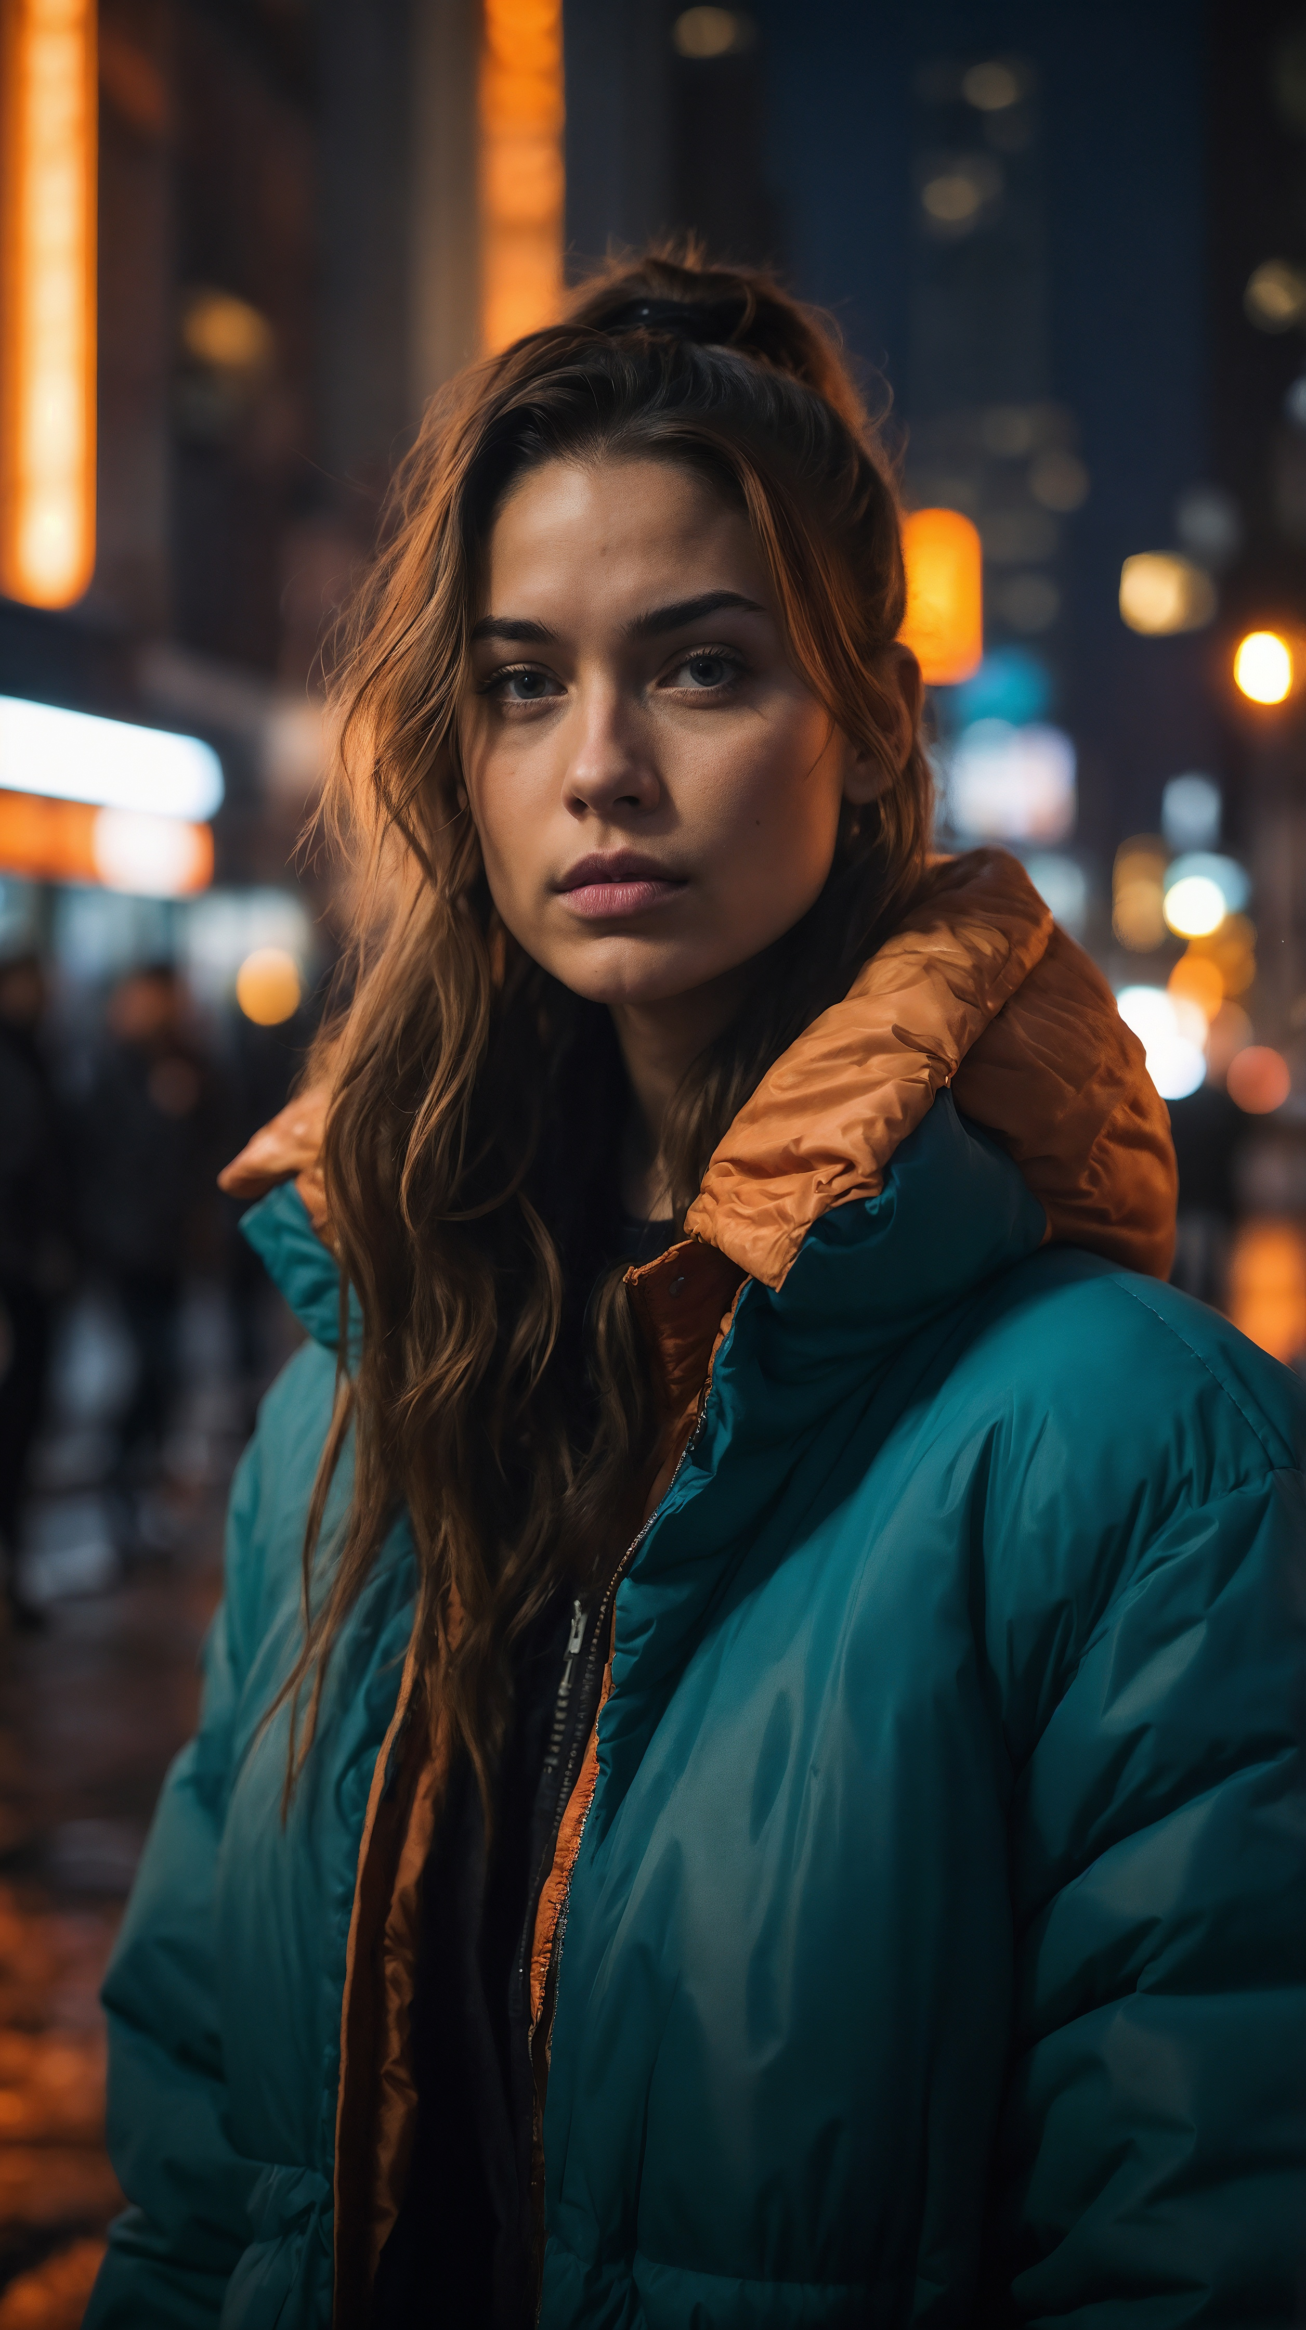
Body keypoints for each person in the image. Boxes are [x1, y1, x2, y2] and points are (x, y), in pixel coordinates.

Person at [86, 253, 1304, 2330]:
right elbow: (204, 2175)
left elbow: (1188, 2245)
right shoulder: (346, 1412)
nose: (600, 766)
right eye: (520, 680)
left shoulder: (1138, 1452)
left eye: (703, 668)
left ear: (867, 728)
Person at [80, 962, 221, 1548]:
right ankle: (119, 1479)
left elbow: (213, 1139)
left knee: (169, 1371)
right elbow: (99, 1154)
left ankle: (140, 1487)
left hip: (170, 1244)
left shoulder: (193, 1063)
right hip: (125, 1245)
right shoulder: (108, 1067)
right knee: (152, 1364)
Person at [0, 950, 72, 1626]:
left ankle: (15, 1562)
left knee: (22, 1425)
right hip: (15, 1275)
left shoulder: (42, 1057)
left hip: (31, 1275)